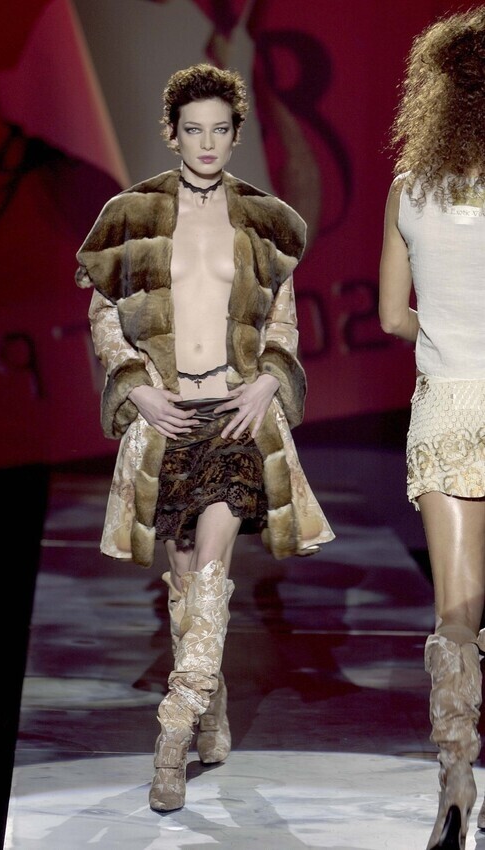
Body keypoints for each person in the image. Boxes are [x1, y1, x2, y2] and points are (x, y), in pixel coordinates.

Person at [75, 63, 334, 813]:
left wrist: (267, 381)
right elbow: (103, 314)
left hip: (235, 416)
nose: (208, 143)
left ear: (236, 133)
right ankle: (211, 708)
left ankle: (172, 735)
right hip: (167, 421)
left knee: (213, 568)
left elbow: (282, 320)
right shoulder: (130, 215)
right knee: (186, 578)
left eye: (221, 129)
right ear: (172, 133)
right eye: (194, 130)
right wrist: (138, 389)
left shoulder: (265, 221)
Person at [378, 9, 484, 849]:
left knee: (456, 616)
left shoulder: (408, 190)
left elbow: (390, 316)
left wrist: (445, 332)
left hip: (447, 408)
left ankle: (455, 784)